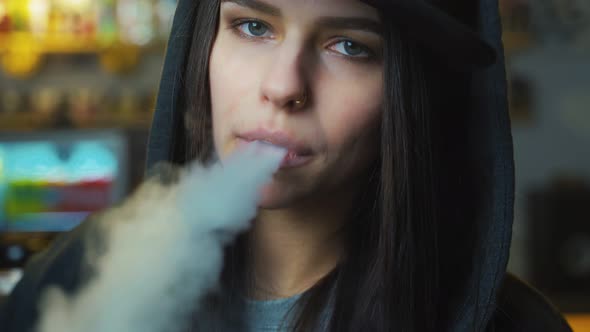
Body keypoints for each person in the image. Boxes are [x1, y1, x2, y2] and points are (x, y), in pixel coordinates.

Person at [0, 0, 574, 331]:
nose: (283, 87)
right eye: (253, 26)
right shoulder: (84, 269)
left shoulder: (510, 327)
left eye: (350, 46)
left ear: (414, 91)